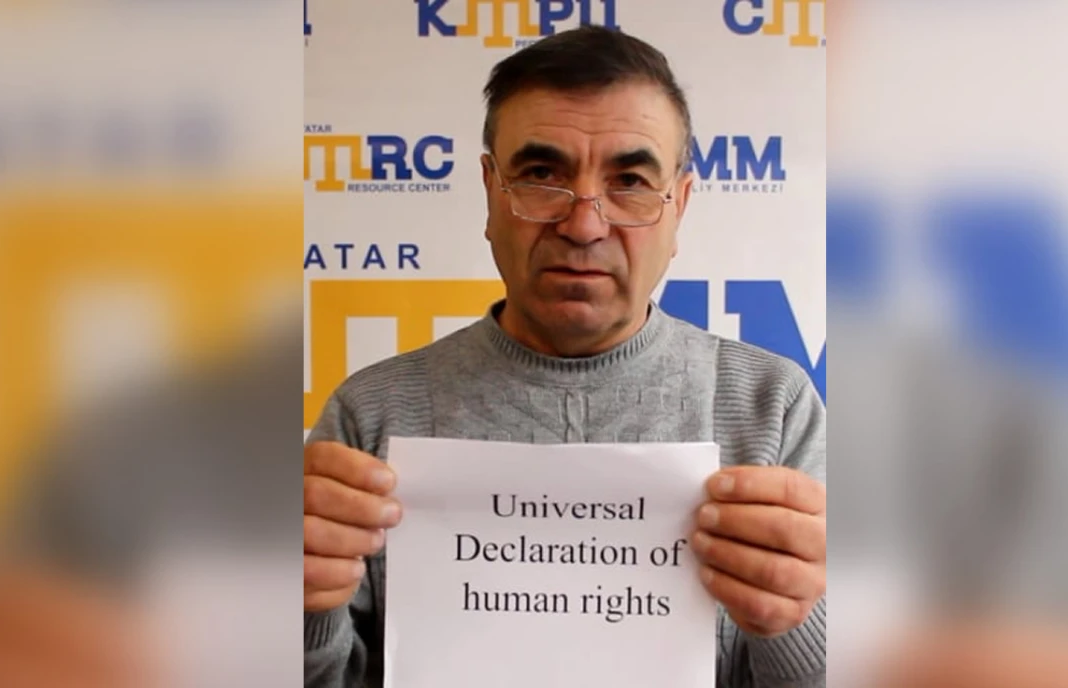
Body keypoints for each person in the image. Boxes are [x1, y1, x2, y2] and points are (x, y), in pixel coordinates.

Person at [302, 26, 827, 688]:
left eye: (630, 181)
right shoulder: (370, 414)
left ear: (680, 206)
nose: (584, 225)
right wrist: (304, 612)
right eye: (541, 176)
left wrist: (796, 623)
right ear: (491, 191)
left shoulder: (773, 407)